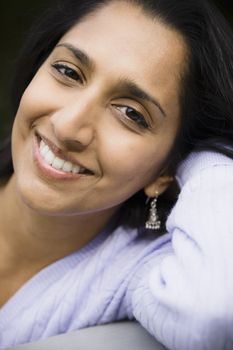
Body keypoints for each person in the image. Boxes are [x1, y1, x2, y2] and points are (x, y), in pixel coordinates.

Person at [0, 0, 233, 349]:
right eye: (68, 72)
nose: (67, 127)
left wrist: (212, 157)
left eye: (131, 113)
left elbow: (211, 317)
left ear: (168, 169)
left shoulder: (135, 267)